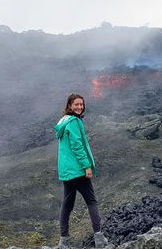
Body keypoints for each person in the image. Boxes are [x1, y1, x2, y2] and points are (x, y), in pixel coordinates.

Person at [54, 93, 108, 249]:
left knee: (67, 204)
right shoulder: (74, 122)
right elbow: (77, 146)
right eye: (76, 104)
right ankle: (99, 239)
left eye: (81, 104)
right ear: (69, 105)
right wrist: (87, 166)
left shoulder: (63, 121)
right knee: (92, 201)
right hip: (77, 170)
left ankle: (63, 242)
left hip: (66, 171)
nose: (79, 107)